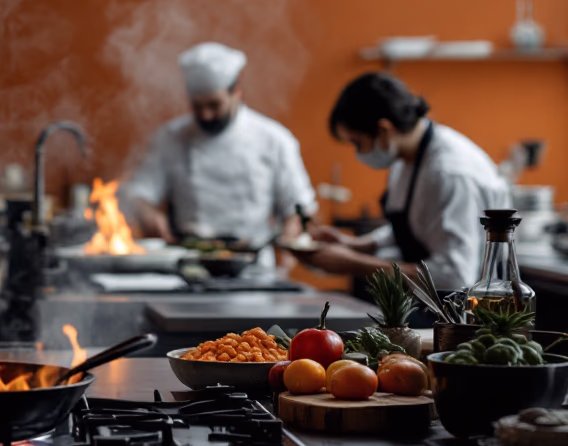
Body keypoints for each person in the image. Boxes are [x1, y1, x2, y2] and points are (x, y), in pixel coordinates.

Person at [294, 72, 510, 291]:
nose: (358, 153)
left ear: (384, 130)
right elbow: (418, 228)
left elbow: (454, 275)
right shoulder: (404, 161)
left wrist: (353, 263)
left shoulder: (450, 173)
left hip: (469, 312)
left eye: (358, 143)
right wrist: (356, 245)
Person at [124, 42, 316, 259]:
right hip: (187, 261)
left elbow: (298, 207)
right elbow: (139, 193)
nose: (205, 115)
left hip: (253, 263)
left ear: (236, 92)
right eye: (197, 107)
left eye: (214, 105)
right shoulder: (169, 138)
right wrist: (147, 214)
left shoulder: (274, 139)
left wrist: (288, 243)